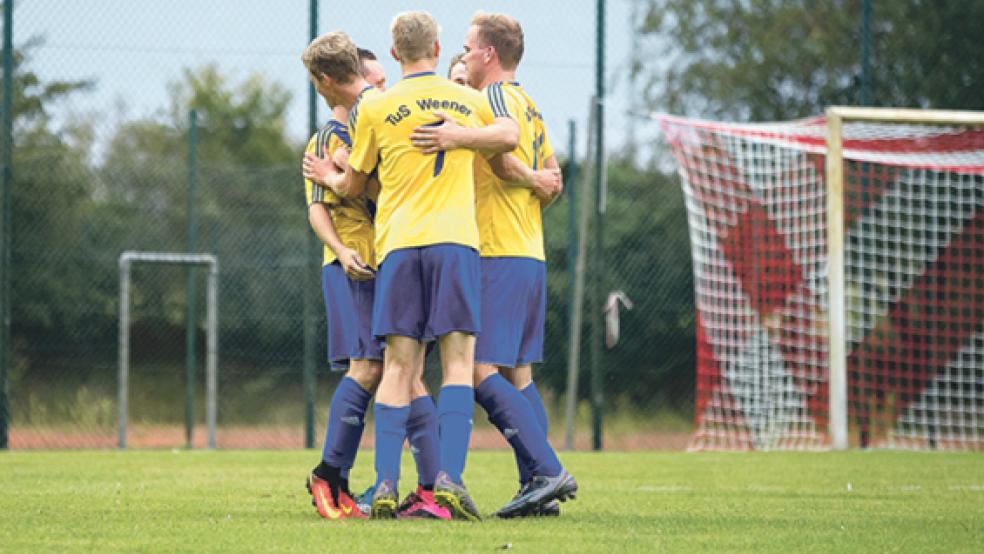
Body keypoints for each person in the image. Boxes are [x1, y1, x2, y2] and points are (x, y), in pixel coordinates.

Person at [318, 11, 519, 521]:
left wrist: (332, 176)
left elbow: (355, 186)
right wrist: (461, 138)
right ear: (437, 45)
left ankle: (385, 483)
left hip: (400, 247)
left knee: (399, 367)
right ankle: (448, 479)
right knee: (456, 365)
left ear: (392, 55)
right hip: (455, 244)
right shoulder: (470, 100)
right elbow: (509, 136)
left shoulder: (377, 107)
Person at [409, 11, 576, 519]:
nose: (461, 55)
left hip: (498, 250)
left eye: (466, 47)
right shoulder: (531, 105)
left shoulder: (497, 99)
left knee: (478, 369)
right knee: (518, 374)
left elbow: (506, 152)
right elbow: (550, 182)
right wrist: (533, 186)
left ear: (488, 54)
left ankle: (546, 470)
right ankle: (536, 486)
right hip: (527, 250)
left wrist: (454, 136)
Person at [300, 33, 447, 521]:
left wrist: (350, 173)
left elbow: (383, 188)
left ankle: (432, 487)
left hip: (393, 258)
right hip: (355, 265)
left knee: (410, 376)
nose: (380, 89)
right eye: (375, 80)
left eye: (382, 80)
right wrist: (341, 250)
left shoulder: (375, 129)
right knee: (368, 367)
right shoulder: (326, 140)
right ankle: (330, 475)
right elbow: (318, 211)